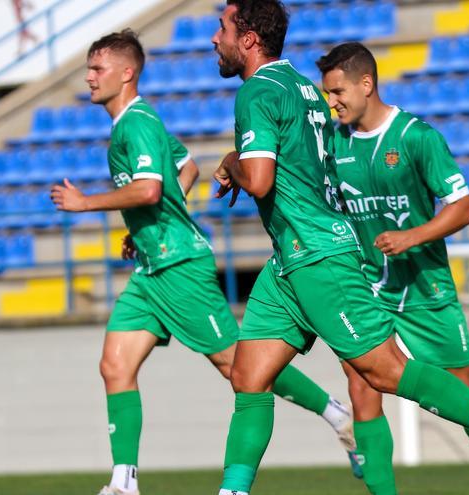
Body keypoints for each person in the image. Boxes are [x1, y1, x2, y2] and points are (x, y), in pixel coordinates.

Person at [209, 2, 469, 495]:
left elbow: (259, 181)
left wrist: (232, 161)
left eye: (222, 28)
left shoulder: (258, 91)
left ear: (249, 39)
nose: (213, 39)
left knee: (384, 372)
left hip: (321, 257)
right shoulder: (304, 87)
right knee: (249, 375)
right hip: (290, 260)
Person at [50, 29, 355, 495]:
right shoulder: (134, 123)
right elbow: (186, 168)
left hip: (180, 269)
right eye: (90, 68)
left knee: (240, 366)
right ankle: (123, 482)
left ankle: (335, 413)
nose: (89, 77)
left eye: (98, 68)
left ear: (127, 73)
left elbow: (151, 188)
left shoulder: (136, 123)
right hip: (153, 266)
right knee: (115, 365)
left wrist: (86, 203)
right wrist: (149, 228)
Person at [318, 41, 469, 495]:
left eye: (337, 92)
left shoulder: (417, 137)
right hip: (365, 290)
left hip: (424, 289)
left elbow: (464, 206)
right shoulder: (334, 143)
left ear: (366, 84)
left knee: (465, 395)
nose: (331, 103)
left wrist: (413, 236)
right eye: (327, 94)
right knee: (361, 390)